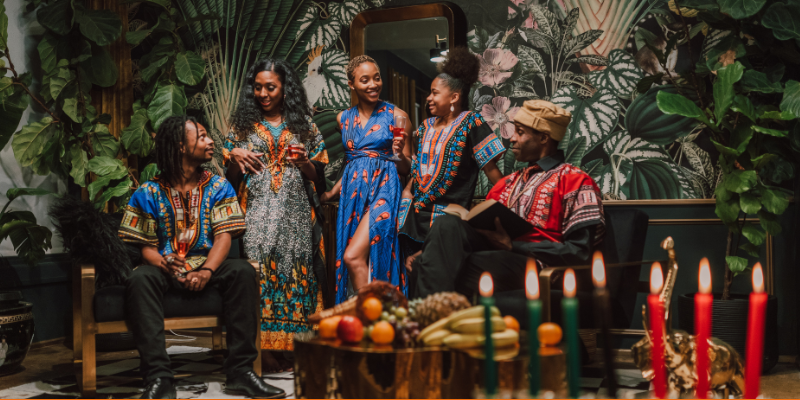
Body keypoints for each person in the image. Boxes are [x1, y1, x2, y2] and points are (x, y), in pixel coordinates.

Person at [120, 116, 285, 399]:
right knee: (139, 278)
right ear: (181, 147)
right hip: (165, 268)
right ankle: (159, 378)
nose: (210, 142)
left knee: (243, 272)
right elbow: (145, 245)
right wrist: (164, 263)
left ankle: (241, 373)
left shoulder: (219, 186)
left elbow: (223, 237)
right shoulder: (148, 192)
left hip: (207, 266)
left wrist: (206, 271)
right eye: (202, 136)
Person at [410, 100, 604, 298]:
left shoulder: (575, 180)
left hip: (539, 266)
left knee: (436, 268)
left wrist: (514, 245)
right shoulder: (507, 183)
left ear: (544, 138)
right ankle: (432, 323)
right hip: (492, 253)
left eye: (520, 132)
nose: (512, 138)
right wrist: (434, 248)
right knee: (446, 223)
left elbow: (580, 252)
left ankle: (425, 325)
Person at [222, 58, 327, 372]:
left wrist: (305, 163)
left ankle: (296, 347)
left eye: (271, 87)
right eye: (258, 87)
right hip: (256, 212)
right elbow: (228, 178)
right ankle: (263, 351)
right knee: (261, 278)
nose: (263, 93)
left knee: (297, 277)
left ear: (285, 88)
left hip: (295, 213)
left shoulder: (304, 125)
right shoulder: (241, 127)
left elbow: (318, 175)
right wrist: (235, 155)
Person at [398, 47, 505, 291]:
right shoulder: (424, 127)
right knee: (411, 278)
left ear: (454, 97)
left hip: (447, 223)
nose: (428, 98)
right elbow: (419, 169)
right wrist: (407, 191)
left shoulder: (471, 123)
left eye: (435, 93)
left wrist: (503, 209)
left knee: (438, 283)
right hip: (413, 218)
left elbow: (492, 172)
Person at [321, 55, 412, 304]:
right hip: (353, 195)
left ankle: (373, 316)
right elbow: (353, 164)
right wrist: (332, 193)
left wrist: (397, 152)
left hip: (385, 189)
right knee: (357, 258)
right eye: (365, 80)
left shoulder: (397, 116)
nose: (373, 84)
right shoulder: (343, 119)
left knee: (354, 256)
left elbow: (407, 168)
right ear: (351, 84)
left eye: (377, 77)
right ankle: (368, 322)